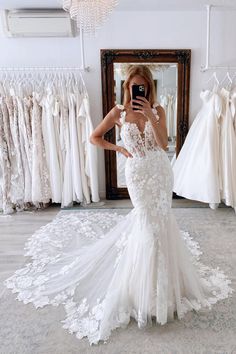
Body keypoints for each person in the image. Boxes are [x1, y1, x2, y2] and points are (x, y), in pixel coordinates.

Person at [4, 65, 234, 346]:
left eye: (143, 87)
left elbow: (163, 145)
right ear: (127, 87)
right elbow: (94, 137)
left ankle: (164, 290)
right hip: (137, 174)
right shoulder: (118, 113)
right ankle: (143, 292)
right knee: (147, 224)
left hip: (160, 173)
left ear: (149, 88)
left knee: (162, 224)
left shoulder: (158, 110)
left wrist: (151, 114)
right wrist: (120, 149)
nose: (139, 91)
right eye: (134, 86)